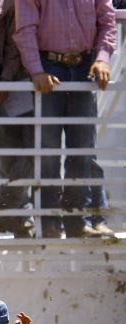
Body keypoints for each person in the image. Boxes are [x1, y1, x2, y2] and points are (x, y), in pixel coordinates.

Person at [13, 0, 117, 238]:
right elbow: (25, 29)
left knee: (82, 148)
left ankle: (77, 220)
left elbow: (107, 20)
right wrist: (36, 70)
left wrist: (102, 57)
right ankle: (51, 221)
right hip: (49, 67)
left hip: (84, 66)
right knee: (49, 151)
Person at [0, 0, 36, 238]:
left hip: (30, 81)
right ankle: (20, 214)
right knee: (8, 158)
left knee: (32, 155)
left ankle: (3, 207)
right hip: (3, 83)